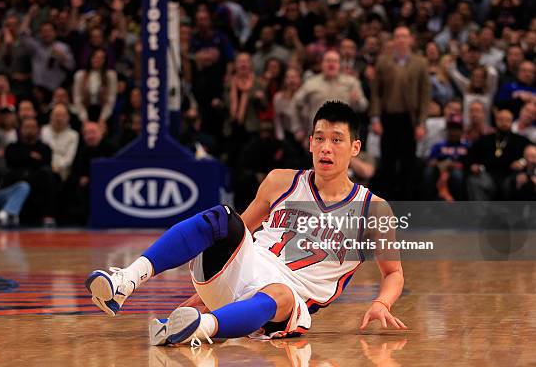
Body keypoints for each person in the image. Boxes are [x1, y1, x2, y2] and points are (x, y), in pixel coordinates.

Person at [86, 101, 406, 347]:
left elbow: (393, 272)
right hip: (243, 269)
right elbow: (237, 233)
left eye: (337, 140)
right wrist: (203, 295)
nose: (326, 147)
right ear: (309, 143)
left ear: (355, 148)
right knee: (223, 217)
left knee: (279, 293)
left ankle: (200, 327)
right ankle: (126, 280)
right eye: (320, 138)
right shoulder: (281, 182)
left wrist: (381, 302)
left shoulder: (373, 210)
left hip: (287, 299)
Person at [370, 26, 430, 200]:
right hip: (388, 118)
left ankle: (406, 206)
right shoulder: (383, 61)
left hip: (409, 120)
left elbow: (425, 95)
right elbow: (376, 93)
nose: (401, 40)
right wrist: (375, 118)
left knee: (408, 165)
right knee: (387, 163)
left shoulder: (420, 63)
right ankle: (384, 206)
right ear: (393, 40)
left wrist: (421, 123)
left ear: (410, 39)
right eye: (397, 36)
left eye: (404, 36)